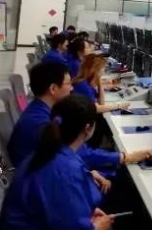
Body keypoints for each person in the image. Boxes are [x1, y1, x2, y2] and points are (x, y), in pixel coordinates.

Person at [8, 62, 152, 172]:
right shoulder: (42, 124)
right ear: (53, 89)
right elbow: (79, 154)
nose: (72, 88)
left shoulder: (40, 111)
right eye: (68, 84)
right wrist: (126, 157)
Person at [0, 95, 115, 230]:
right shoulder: (65, 169)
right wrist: (97, 228)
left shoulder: (48, 150)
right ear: (88, 128)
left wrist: (88, 212)